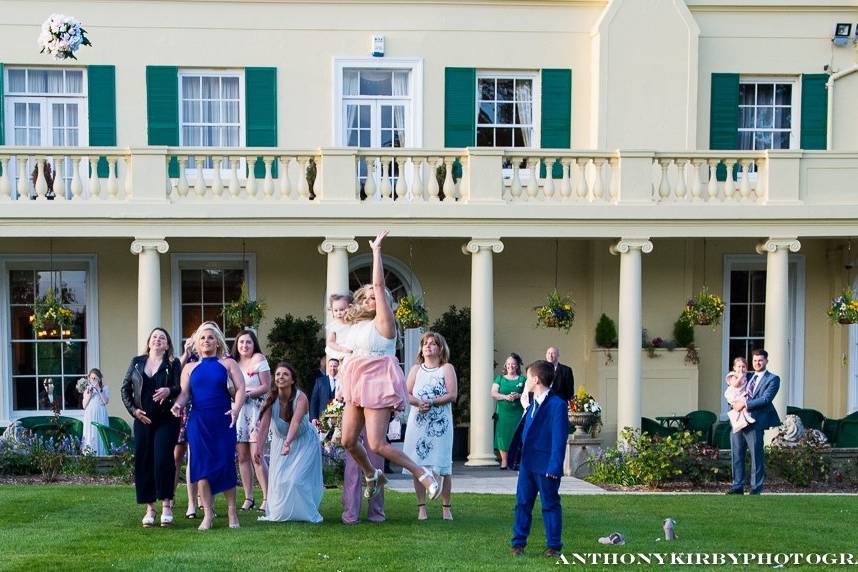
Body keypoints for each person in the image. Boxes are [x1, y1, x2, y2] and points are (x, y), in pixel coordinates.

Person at [338, 230, 440, 504]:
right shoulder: (356, 326)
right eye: (367, 297)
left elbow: (380, 285)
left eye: (375, 296)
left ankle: (422, 473)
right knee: (347, 441)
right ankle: (371, 474)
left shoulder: (385, 323)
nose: (371, 299)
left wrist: (376, 252)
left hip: (377, 379)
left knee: (377, 444)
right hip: (356, 379)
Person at [171, 322, 246, 530]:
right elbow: (185, 393)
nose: (206, 341)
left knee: (225, 463)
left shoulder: (228, 364)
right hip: (198, 421)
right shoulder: (189, 367)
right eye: (202, 338)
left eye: (210, 337)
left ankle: (232, 511)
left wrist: (236, 409)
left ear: (217, 342)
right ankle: (207, 513)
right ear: (196, 342)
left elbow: (241, 389)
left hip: (223, 419)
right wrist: (178, 405)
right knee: (200, 466)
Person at [121, 327, 182, 528]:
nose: (157, 340)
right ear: (149, 342)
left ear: (167, 345)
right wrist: (134, 411)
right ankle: (150, 508)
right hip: (143, 420)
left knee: (163, 459)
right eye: (154, 337)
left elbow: (180, 387)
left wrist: (168, 390)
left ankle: (166, 505)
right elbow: (125, 390)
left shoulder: (173, 364)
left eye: (162, 338)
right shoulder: (136, 363)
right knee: (144, 460)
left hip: (166, 420)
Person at [508, 360, 569, 557]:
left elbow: (559, 438)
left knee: (550, 504)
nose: (525, 381)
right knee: (522, 503)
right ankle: (518, 543)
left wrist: (554, 466)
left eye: (527, 377)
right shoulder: (532, 403)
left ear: (536, 379)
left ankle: (553, 546)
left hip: (545, 465)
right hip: (527, 464)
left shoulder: (557, 405)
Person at [254, 362, 323, 523]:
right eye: (278, 374)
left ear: (292, 380)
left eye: (285, 374)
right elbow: (264, 426)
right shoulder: (271, 399)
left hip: (304, 442)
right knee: (280, 481)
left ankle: (305, 513)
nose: (280, 377)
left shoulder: (301, 398)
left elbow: (296, 422)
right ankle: (285, 513)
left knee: (296, 480)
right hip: (280, 442)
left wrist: (288, 442)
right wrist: (258, 447)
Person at [403, 331, 457, 520]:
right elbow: (406, 393)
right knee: (418, 463)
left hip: (440, 423)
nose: (428, 346)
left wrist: (432, 402)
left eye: (433, 344)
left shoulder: (446, 368)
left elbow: (452, 394)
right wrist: (418, 402)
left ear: (440, 348)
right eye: (425, 343)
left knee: (443, 465)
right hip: (418, 422)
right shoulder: (416, 369)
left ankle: (446, 507)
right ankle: (421, 507)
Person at [728, 349, 780, 495]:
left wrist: (745, 404)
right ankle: (737, 486)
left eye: (760, 360)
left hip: (756, 422)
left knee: (756, 456)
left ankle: (756, 488)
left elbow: (766, 399)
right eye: (755, 360)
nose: (757, 363)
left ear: (766, 361)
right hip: (738, 421)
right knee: (737, 455)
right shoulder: (747, 376)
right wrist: (733, 402)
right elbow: (734, 389)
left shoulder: (773, 379)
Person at [231, 329, 271, 513]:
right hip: (239, 412)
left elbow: (266, 386)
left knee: (257, 455)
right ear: (236, 345)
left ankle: (267, 497)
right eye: (241, 342)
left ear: (253, 344)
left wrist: (248, 393)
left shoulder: (259, 359)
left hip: (256, 411)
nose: (244, 346)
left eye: (248, 342)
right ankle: (249, 497)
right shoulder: (232, 363)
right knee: (242, 457)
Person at [173, 336, 199, 519]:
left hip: (200, 411)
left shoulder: (214, 358)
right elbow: (175, 377)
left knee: (197, 457)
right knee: (176, 456)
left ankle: (197, 501)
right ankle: (170, 495)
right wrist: (186, 353)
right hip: (183, 412)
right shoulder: (186, 360)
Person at [491, 353, 526, 470]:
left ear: (517, 366)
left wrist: (518, 395)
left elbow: (528, 394)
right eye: (508, 364)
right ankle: (504, 461)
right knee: (503, 436)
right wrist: (505, 397)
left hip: (517, 411)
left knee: (516, 434)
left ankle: (516, 460)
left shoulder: (522, 379)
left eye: (513, 364)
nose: (510, 366)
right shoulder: (499, 379)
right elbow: (493, 393)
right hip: (503, 412)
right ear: (505, 365)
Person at [81, 368, 110, 456]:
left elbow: (105, 401)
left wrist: (98, 389)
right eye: (91, 378)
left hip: (100, 414)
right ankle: (89, 455)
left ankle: (102, 455)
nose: (93, 380)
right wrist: (90, 394)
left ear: (99, 379)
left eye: (95, 378)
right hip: (90, 415)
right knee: (91, 433)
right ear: (89, 379)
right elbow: (84, 405)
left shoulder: (105, 388)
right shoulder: (87, 390)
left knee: (100, 434)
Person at [724, 357, 755, 432]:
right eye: (739, 366)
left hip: (741, 395)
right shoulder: (733, 376)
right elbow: (735, 384)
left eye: (743, 366)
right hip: (734, 394)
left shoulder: (748, 376)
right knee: (741, 403)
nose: (741, 369)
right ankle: (743, 420)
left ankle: (745, 418)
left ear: (746, 368)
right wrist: (740, 377)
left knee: (744, 403)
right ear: (734, 367)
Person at [310, 358, 340, 424]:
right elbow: (314, 400)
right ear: (328, 367)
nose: (333, 368)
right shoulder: (320, 381)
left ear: (338, 367)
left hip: (339, 418)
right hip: (322, 419)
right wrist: (313, 417)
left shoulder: (342, 382)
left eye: (335, 366)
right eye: (331, 366)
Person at [325, 293, 354, 362]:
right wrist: (341, 349)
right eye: (336, 310)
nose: (339, 313)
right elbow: (330, 341)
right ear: (332, 311)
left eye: (341, 310)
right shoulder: (334, 325)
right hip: (341, 349)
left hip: (354, 349)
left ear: (349, 308)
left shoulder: (353, 322)